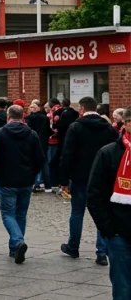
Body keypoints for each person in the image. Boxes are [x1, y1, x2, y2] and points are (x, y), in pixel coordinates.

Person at [60, 96, 118, 265]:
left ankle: (73, 246)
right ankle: (101, 252)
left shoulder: (76, 127)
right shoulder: (108, 128)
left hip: (80, 177)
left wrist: (63, 179)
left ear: (82, 109)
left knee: (77, 212)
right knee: (102, 212)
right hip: (103, 177)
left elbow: (67, 154)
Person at [0, 104, 44, 264]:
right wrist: (33, 173)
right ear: (23, 116)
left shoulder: (0, 133)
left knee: (7, 213)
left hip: (7, 180)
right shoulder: (32, 134)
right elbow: (40, 158)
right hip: (26, 180)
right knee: (21, 214)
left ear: (8, 116)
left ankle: (17, 241)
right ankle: (14, 248)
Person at [85, 120, 131, 298]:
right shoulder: (109, 152)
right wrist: (109, 229)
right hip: (120, 233)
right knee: (123, 287)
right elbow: (95, 194)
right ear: (126, 124)